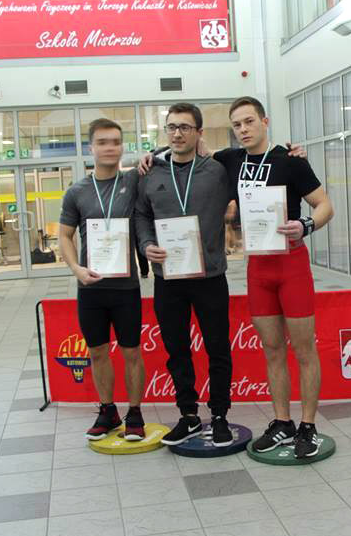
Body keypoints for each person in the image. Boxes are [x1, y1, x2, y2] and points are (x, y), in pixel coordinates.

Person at [213, 97, 334, 458]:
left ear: (264, 122)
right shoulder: (230, 160)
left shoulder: (291, 160)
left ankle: (308, 426)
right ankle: (283, 422)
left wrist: (306, 224)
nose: (243, 129)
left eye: (249, 121)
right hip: (258, 268)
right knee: (273, 350)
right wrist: (149, 157)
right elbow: (189, 150)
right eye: (237, 124)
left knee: (304, 349)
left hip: (291, 264)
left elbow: (325, 205)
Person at [134, 103, 235, 447]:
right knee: (176, 350)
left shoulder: (217, 170)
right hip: (169, 279)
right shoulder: (150, 172)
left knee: (217, 348)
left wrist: (294, 153)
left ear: (199, 133)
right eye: (172, 127)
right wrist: (146, 244)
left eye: (185, 127)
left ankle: (219, 415)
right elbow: (141, 215)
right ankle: (188, 415)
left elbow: (254, 165)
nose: (177, 134)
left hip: (210, 277)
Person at [59, 119, 147, 440]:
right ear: (91, 148)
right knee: (97, 352)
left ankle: (135, 413)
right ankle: (108, 411)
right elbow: (65, 236)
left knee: (131, 352)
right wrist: (76, 269)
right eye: (102, 142)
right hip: (91, 287)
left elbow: (173, 152)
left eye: (115, 142)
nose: (110, 148)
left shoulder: (134, 180)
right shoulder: (77, 191)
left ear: (122, 146)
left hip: (126, 287)